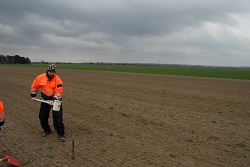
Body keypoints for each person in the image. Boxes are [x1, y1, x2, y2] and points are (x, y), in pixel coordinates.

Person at [30, 64, 65, 142]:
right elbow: (34, 86)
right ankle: (46, 130)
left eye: (53, 72)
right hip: (45, 99)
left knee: (57, 117)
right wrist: (33, 95)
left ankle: (60, 133)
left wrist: (53, 99)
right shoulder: (39, 78)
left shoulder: (58, 80)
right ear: (47, 71)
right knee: (42, 116)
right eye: (50, 72)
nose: (52, 74)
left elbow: (59, 92)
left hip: (56, 100)